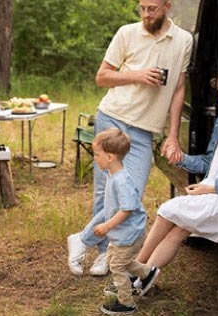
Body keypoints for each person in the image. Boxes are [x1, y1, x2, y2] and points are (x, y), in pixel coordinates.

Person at [68, 0, 193, 276]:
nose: (147, 15)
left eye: (152, 9)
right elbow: (102, 77)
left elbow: (178, 89)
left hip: (143, 131)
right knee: (106, 190)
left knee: (130, 195)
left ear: (166, 8)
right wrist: (137, 75)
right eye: (143, 9)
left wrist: (173, 134)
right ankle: (103, 253)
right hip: (113, 118)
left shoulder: (183, 40)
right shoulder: (127, 33)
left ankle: (81, 239)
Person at [129, 66, 218, 288]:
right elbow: (209, 162)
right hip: (212, 191)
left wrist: (209, 189)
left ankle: (137, 268)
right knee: (180, 227)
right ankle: (142, 278)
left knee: (167, 211)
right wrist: (179, 158)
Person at [89, 128, 154, 315]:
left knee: (117, 265)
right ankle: (147, 273)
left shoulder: (121, 181)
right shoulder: (113, 175)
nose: (95, 158)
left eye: (97, 154)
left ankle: (126, 304)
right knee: (115, 260)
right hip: (122, 233)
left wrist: (107, 225)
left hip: (130, 233)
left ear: (110, 158)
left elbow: (127, 209)